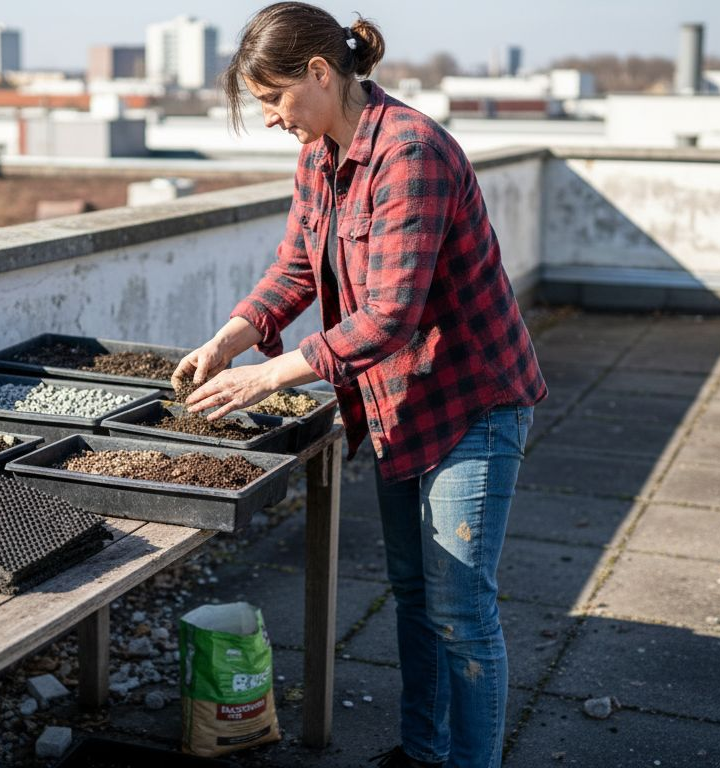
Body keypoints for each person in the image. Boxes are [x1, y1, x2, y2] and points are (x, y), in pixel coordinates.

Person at [171, 3, 547, 767]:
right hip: (397, 404)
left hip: (471, 399)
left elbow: (387, 318)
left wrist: (266, 377)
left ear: (319, 72)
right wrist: (228, 338)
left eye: (275, 97)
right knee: (414, 595)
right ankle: (423, 750)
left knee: (461, 612)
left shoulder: (412, 152)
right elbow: (298, 267)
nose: (274, 118)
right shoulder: (318, 156)